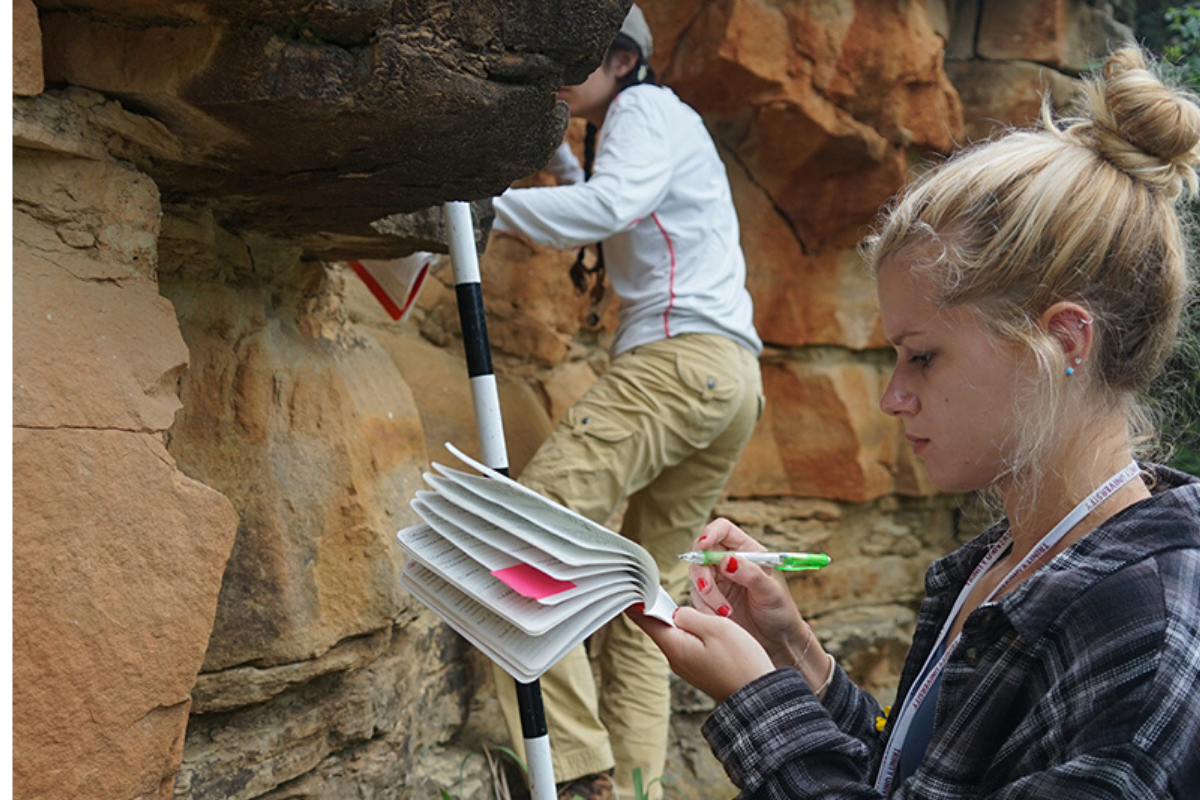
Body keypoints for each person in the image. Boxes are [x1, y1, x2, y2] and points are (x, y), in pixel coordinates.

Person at [630, 47, 1200, 798]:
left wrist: (757, 706)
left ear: (1062, 341)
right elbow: (916, 779)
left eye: (922, 357)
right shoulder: (1011, 559)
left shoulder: (1143, 633)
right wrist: (794, 655)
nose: (891, 397)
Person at [489, 5, 764, 799]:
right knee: (649, 607)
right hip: (729, 381)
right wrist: (560, 160)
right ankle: (638, 789)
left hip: (675, 365)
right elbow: (611, 203)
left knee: (520, 539)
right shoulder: (643, 120)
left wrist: (482, 205)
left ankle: (576, 773)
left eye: (571, 56)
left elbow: (612, 210)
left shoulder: (645, 106)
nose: (555, 70)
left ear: (619, 56)